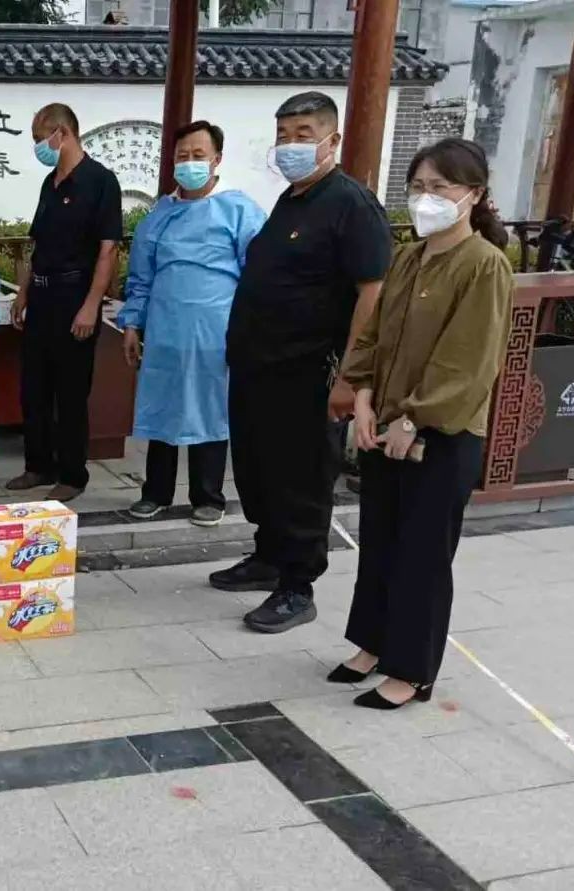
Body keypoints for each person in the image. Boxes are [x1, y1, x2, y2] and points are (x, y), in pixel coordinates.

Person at [332, 139, 513, 709]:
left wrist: (414, 418)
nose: (426, 198)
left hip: (443, 433)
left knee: (423, 554)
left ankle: (411, 671)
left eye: (440, 187)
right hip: (385, 423)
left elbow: (469, 359)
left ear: (474, 195)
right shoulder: (409, 257)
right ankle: (372, 642)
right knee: (379, 540)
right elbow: (374, 334)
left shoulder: (484, 265)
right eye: (418, 187)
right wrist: (363, 397)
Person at [210, 91, 393, 633]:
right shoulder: (292, 200)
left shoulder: (351, 204)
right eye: (284, 136)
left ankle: (297, 585)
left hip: (309, 370)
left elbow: (372, 292)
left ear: (332, 140)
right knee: (258, 470)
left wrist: (351, 377)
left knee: (300, 479)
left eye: (304, 135)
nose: (291, 145)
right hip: (258, 367)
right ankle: (268, 555)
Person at [119, 121, 266, 528]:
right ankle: (155, 492)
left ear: (217, 159)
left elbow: (258, 275)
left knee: (209, 409)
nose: (189, 163)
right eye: (182, 156)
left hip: (215, 330)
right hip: (164, 329)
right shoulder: (159, 214)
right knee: (162, 408)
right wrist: (132, 324)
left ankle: (208, 495)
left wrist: (251, 329)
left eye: (198, 155)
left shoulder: (240, 210)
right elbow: (141, 277)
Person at [6, 103, 123, 503]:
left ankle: (73, 473)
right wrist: (23, 292)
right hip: (42, 294)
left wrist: (91, 305)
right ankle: (38, 465)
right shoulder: (50, 183)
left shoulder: (100, 181)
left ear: (63, 133)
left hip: (76, 294)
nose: (39, 146)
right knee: (34, 387)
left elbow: (108, 250)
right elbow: (36, 244)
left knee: (70, 392)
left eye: (41, 138)